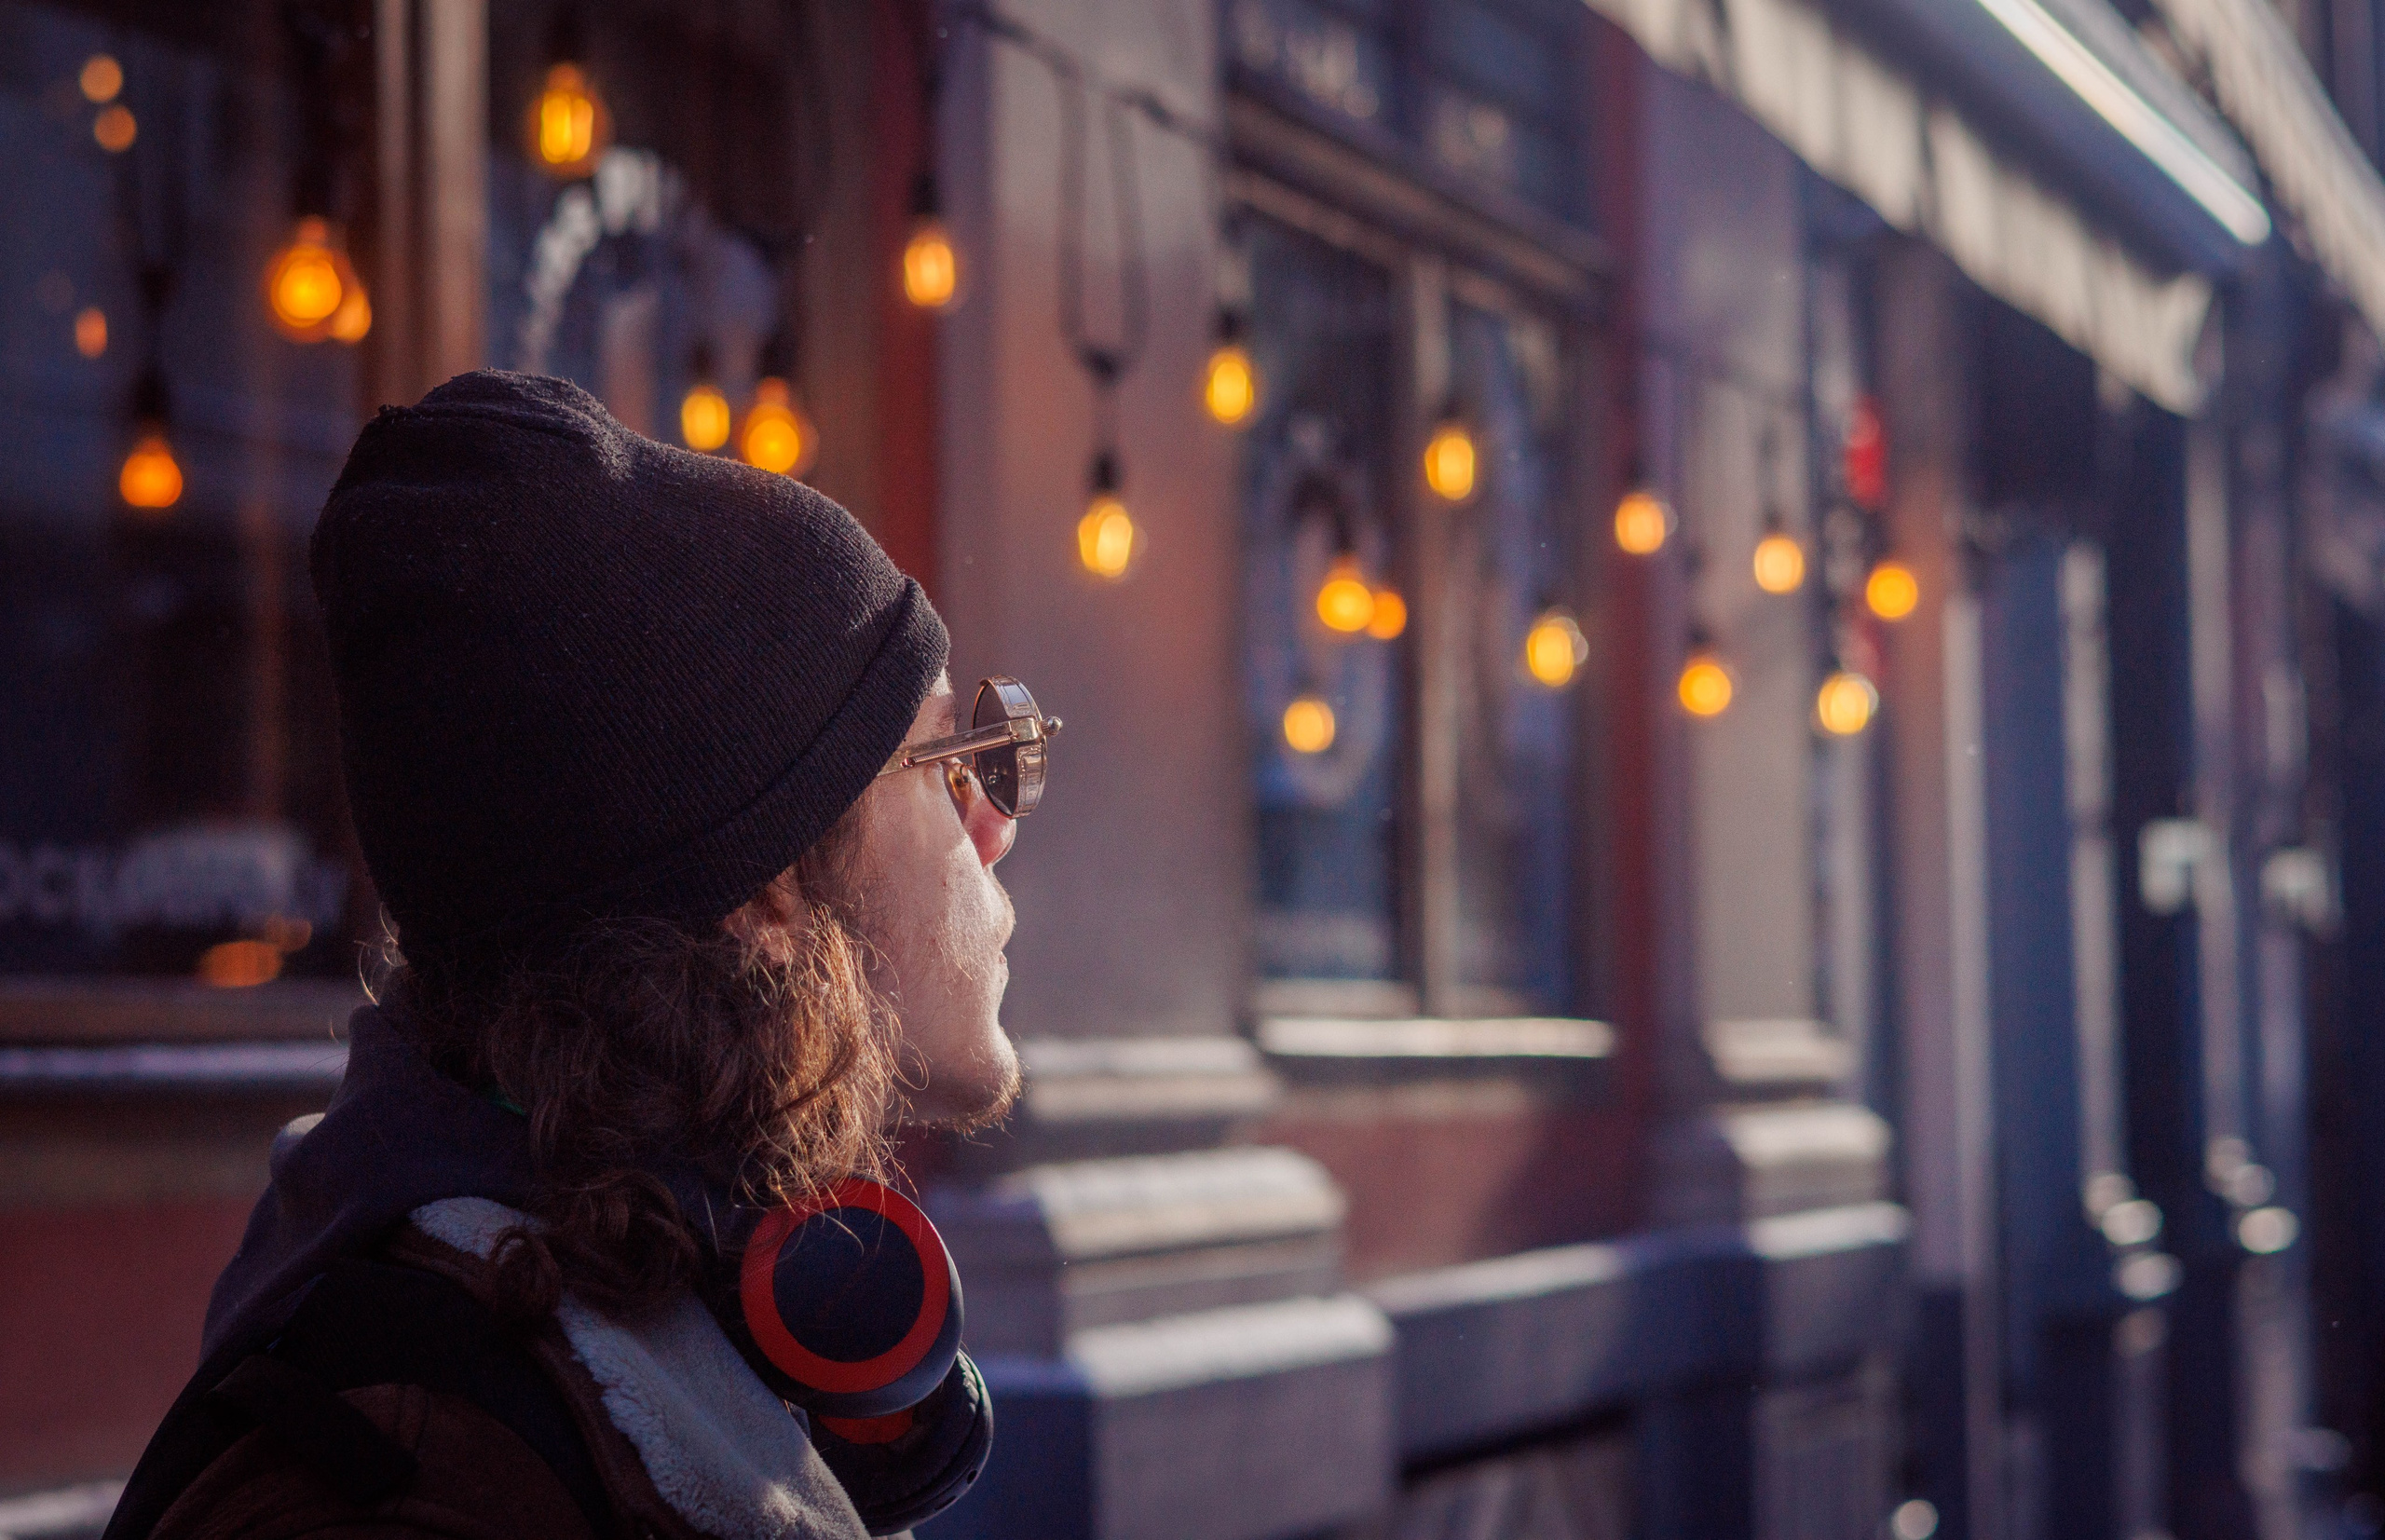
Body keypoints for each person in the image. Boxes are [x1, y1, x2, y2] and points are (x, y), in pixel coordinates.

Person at [102, 371, 1050, 1540]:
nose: (993, 824)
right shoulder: (404, 1488)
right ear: (768, 891)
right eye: (947, 757)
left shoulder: (648, 1330)